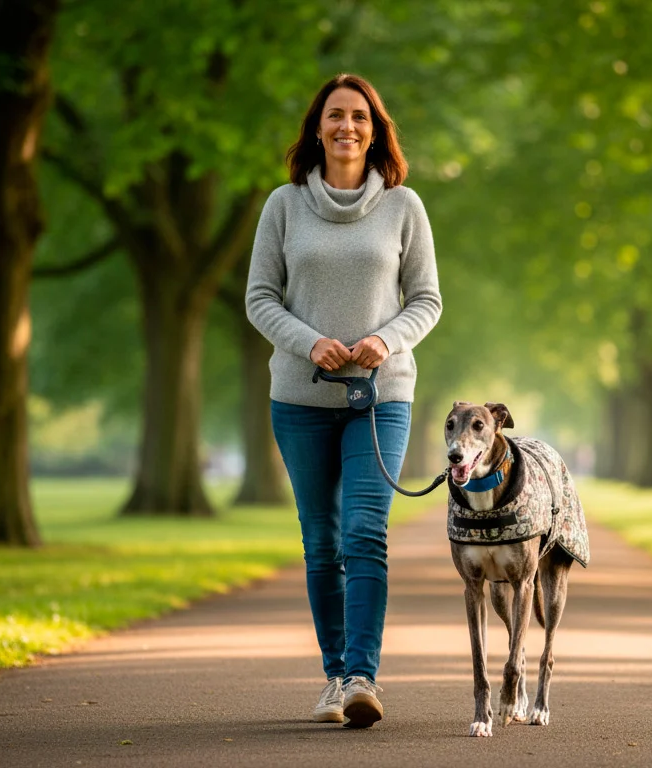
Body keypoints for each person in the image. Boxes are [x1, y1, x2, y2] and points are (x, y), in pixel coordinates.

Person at [245, 73, 442, 729]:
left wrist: (385, 340)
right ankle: (334, 676)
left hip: (380, 398)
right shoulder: (283, 205)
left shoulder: (405, 207)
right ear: (317, 128)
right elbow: (260, 298)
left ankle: (362, 676)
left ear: (375, 129)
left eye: (359, 116)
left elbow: (427, 300)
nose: (347, 126)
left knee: (364, 532)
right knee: (321, 539)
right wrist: (310, 343)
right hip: (299, 400)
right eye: (335, 115)